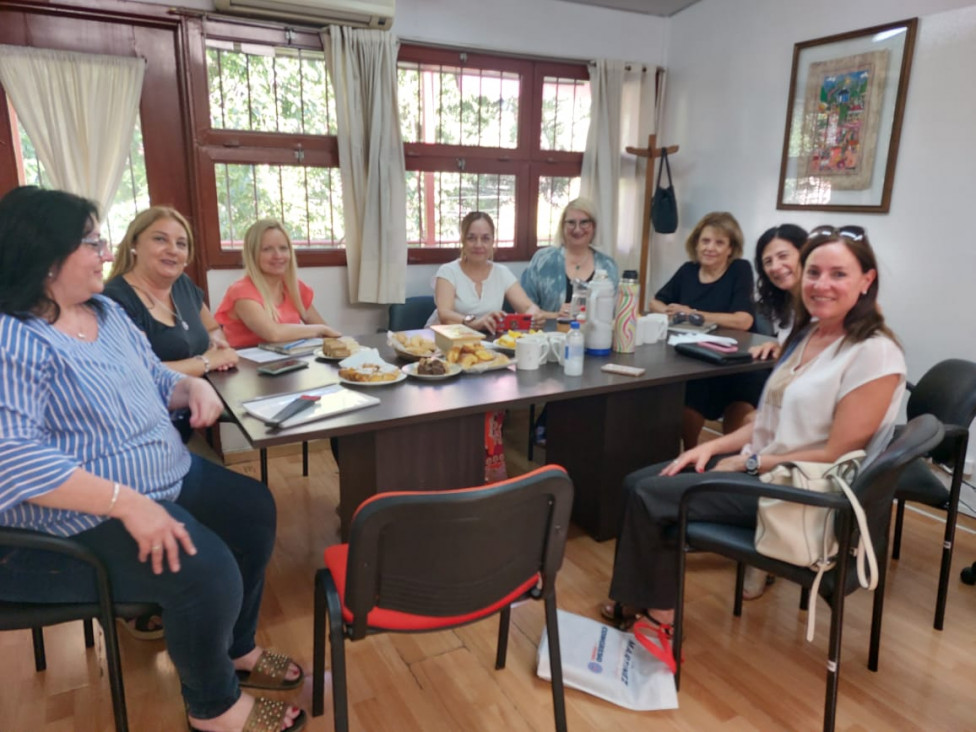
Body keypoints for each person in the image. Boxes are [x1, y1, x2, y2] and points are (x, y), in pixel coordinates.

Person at [0, 187, 306, 732]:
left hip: (164, 474)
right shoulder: (14, 337)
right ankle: (213, 706)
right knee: (205, 571)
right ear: (45, 255)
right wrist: (126, 504)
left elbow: (156, 376)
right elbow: (13, 460)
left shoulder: (106, 313)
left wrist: (191, 391)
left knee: (253, 510)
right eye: (89, 241)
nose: (102, 250)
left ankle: (235, 647)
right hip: (78, 511)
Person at [602, 225, 906, 632]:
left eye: (838, 274)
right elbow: (769, 419)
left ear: (866, 280)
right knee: (636, 482)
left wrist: (750, 465)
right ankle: (642, 600)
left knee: (648, 492)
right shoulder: (810, 332)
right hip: (766, 467)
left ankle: (657, 613)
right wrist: (712, 449)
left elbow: (835, 454)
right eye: (814, 272)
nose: (821, 284)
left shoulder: (874, 353)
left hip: (799, 491)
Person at [105, 207, 238, 443]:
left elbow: (212, 328)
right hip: (141, 433)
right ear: (134, 244)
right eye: (160, 239)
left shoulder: (182, 284)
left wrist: (217, 343)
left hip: (188, 420)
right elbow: (142, 374)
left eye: (181, 243)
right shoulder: (116, 300)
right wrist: (208, 361)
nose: (172, 250)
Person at [649, 211, 759, 448]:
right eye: (705, 241)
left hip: (736, 362)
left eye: (719, 243)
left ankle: (733, 457)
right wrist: (672, 312)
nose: (710, 248)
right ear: (696, 244)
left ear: (731, 248)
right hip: (696, 358)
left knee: (737, 400)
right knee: (686, 391)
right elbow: (655, 302)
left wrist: (694, 314)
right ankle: (689, 454)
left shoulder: (740, 269)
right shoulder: (688, 271)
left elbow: (743, 321)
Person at [215, 219, 340, 348]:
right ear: (252, 254)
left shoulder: (295, 287)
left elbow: (328, 334)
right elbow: (273, 334)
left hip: (288, 363)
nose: (278, 255)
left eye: (283, 248)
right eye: (267, 249)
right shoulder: (241, 291)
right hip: (247, 366)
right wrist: (320, 329)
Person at [427, 210, 543, 334]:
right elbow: (444, 314)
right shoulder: (448, 271)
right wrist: (474, 323)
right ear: (463, 241)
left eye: (485, 238)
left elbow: (527, 307)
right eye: (471, 238)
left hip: (486, 342)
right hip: (444, 340)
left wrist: (534, 314)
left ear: (493, 241)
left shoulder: (502, 273)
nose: (478, 244)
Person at [520, 197, 619, 318]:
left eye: (584, 222)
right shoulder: (543, 260)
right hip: (548, 335)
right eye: (571, 223)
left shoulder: (608, 266)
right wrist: (556, 315)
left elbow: (614, 314)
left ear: (593, 226)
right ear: (562, 226)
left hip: (595, 336)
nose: (577, 229)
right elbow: (523, 309)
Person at [750, 223, 807, 362]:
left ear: (806, 254)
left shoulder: (823, 304)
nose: (775, 267)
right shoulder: (788, 303)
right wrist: (778, 346)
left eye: (783, 256)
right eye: (768, 262)